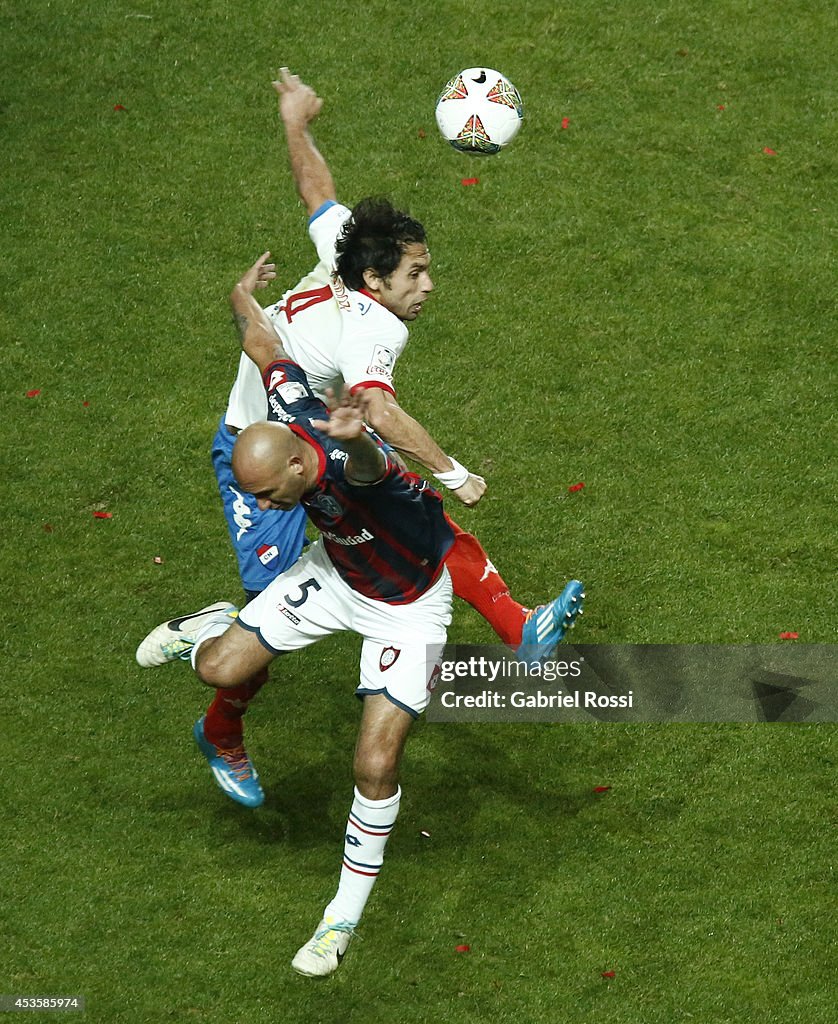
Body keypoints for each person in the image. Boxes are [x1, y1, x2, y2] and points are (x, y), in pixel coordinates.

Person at [137, 252, 535, 976]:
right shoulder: (291, 410)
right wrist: (237, 294)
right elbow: (264, 346)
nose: (257, 509)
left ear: (296, 467)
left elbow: (368, 470)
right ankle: (220, 619)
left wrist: (355, 440)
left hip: (407, 611)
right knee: (217, 667)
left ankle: (338, 921)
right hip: (337, 576)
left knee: (376, 763)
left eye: (263, 494)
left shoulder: (371, 475)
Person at [200, 68, 584, 808]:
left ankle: (516, 626)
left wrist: (293, 122)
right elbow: (375, 406)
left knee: (406, 518)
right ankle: (220, 727)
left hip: (308, 444)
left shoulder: (347, 247)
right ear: (375, 281)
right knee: (253, 634)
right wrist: (453, 469)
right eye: (418, 273)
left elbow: (318, 194)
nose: (429, 285)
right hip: (258, 455)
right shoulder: (373, 326)